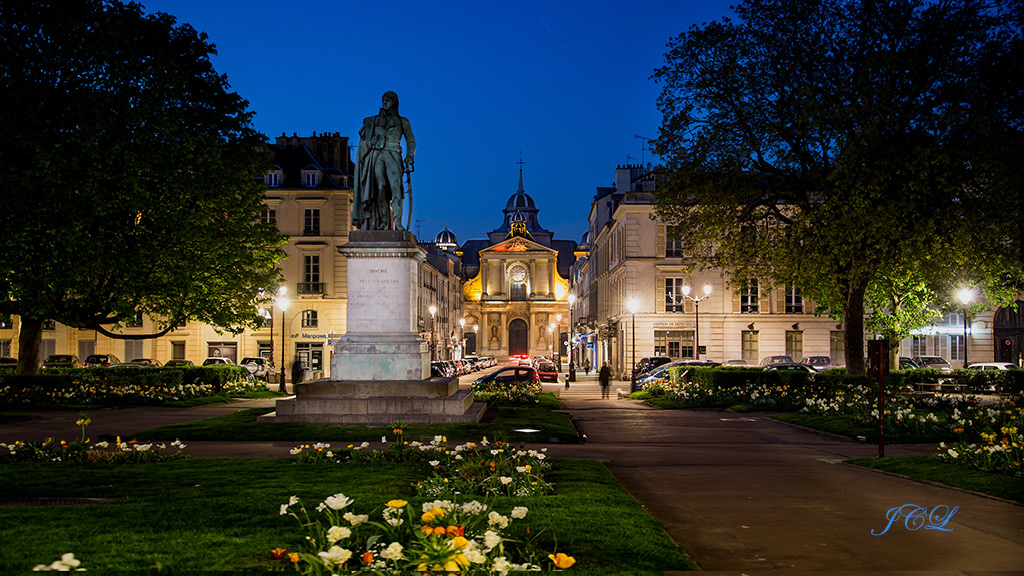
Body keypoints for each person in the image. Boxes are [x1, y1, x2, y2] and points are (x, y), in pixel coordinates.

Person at [353, 91, 416, 231]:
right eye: (383, 100)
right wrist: (371, 141)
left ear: (394, 102)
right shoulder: (375, 121)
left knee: (395, 189)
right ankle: (383, 221)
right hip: (377, 155)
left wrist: (410, 156)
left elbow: (411, 140)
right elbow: (366, 139)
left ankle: (398, 222)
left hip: (393, 154)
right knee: (379, 189)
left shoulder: (402, 122)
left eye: (387, 100)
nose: (384, 103)